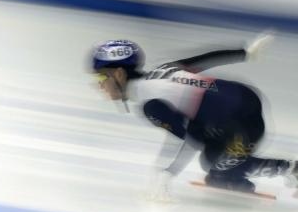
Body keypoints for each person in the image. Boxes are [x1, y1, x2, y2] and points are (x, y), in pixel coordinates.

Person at [89, 38, 297, 196]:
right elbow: (205, 59)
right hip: (245, 100)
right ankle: (229, 175)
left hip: (240, 123)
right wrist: (246, 53)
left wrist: (168, 173)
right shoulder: (163, 70)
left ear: (118, 74)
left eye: (100, 77)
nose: (99, 85)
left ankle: (290, 169)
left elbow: (191, 138)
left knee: (212, 160)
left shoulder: (151, 105)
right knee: (215, 166)